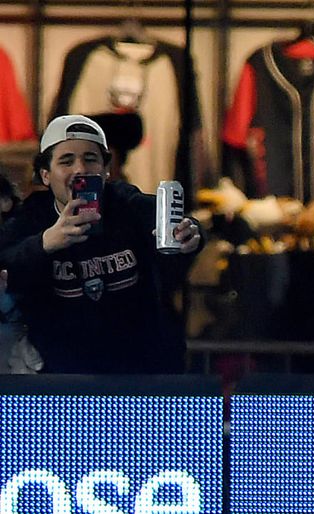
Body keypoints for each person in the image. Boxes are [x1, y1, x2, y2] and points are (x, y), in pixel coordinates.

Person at [0, 114, 202, 374]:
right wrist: (45, 242)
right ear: (46, 175)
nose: (80, 169)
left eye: (90, 158)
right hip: (65, 378)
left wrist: (189, 232)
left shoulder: (124, 202)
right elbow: (6, 261)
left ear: (106, 170)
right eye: (66, 161)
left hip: (141, 372)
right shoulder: (32, 216)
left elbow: (171, 221)